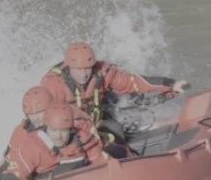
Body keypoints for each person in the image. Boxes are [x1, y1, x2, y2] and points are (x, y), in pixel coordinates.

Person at [38, 41, 187, 137]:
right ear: (69, 66)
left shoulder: (103, 72)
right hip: (70, 128)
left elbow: (133, 82)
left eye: (87, 68)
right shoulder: (53, 84)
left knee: (130, 103)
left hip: (101, 112)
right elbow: (40, 116)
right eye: (79, 69)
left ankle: (157, 117)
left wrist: (171, 83)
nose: (84, 74)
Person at [0, 102, 106, 180]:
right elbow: (15, 172)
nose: (59, 136)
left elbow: (99, 162)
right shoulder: (33, 146)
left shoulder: (81, 138)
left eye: (64, 131)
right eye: (54, 130)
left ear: (70, 129)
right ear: (46, 127)